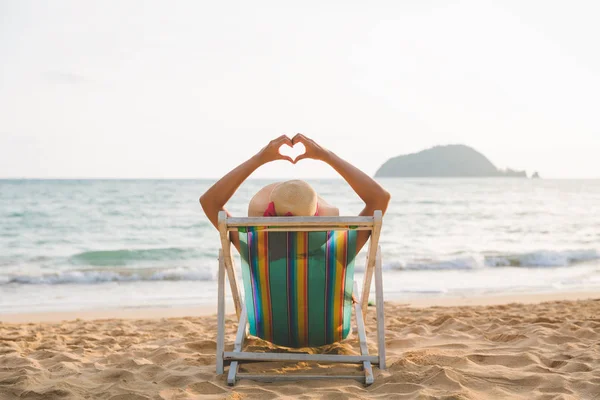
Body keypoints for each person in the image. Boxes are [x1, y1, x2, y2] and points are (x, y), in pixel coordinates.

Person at [199, 133, 391, 253]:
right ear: (315, 216)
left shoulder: (254, 255)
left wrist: (258, 159)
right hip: (327, 321)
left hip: (268, 321)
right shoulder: (337, 255)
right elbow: (380, 198)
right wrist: (326, 156)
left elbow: (209, 201)